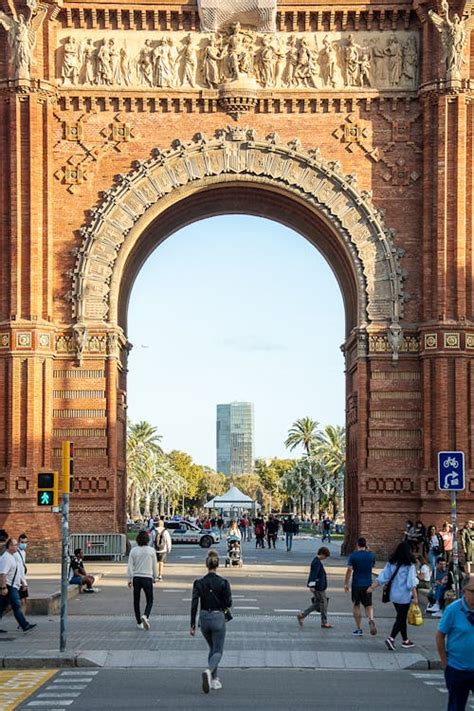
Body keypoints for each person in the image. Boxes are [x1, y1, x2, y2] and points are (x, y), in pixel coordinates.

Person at [190, 550, 232, 693]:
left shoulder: (199, 583)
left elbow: (194, 604)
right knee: (218, 650)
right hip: (217, 617)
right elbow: (228, 602)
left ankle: (214, 680)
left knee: (212, 648)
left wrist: (192, 625)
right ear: (217, 564)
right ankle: (209, 671)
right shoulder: (223, 582)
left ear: (206, 565)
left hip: (203, 618)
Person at [367, 541, 418, 650]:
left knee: (401, 617)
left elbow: (384, 576)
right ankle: (391, 638)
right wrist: (415, 596)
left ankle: (405, 640)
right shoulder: (410, 565)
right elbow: (411, 583)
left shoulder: (392, 562)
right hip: (404, 595)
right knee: (400, 618)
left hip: (393, 594)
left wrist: (373, 586)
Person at [436, 576, 474, 710]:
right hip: (457, 669)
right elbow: (440, 635)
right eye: (473, 591)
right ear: (464, 591)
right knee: (456, 706)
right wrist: (445, 662)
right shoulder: (453, 610)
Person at [0, 538, 36, 633]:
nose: (17, 546)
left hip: (13, 585)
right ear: (10, 546)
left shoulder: (11, 556)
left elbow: (17, 571)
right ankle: (24, 625)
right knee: (16, 605)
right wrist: (3, 588)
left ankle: (24, 624)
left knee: (2, 607)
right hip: (9, 586)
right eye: (15, 545)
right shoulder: (6, 558)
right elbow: (3, 574)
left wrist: (22, 583)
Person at [344, 537, 377, 636]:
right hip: (368, 583)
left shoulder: (353, 556)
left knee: (356, 605)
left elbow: (350, 569)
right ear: (365, 545)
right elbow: (372, 566)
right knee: (368, 605)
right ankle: (371, 619)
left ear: (357, 545)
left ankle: (359, 628)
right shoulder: (371, 555)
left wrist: (346, 583)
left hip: (356, 584)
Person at [297, 546, 333, 629]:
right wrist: (312, 585)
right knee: (323, 604)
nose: (325, 558)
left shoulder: (316, 561)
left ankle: (302, 615)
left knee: (317, 603)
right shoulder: (316, 562)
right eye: (325, 556)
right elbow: (314, 574)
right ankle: (324, 622)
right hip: (319, 587)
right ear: (322, 554)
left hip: (318, 586)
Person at [127, 530, 157, 630]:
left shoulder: (134, 550)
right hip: (147, 577)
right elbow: (154, 565)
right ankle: (146, 615)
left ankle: (138, 622)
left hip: (136, 577)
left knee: (136, 600)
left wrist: (129, 578)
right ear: (147, 539)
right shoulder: (151, 551)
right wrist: (155, 576)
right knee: (150, 599)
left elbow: (130, 565)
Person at [16, 533, 29, 610]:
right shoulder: (16, 553)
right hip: (19, 580)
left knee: (24, 600)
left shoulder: (23, 552)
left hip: (22, 579)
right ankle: (22, 620)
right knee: (22, 601)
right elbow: (19, 569)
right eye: (22, 542)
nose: (24, 544)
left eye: (25, 542)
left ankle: (23, 620)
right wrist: (23, 582)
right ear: (18, 542)